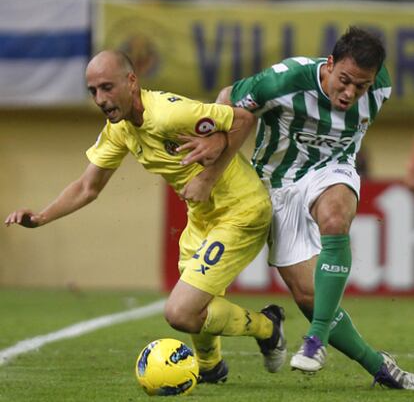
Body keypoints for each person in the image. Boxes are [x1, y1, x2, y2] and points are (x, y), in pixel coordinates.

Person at [4, 50, 287, 384]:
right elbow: (87, 187)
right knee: (198, 306)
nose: (100, 99)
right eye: (93, 91)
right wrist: (40, 217)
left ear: (131, 81)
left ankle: (268, 327)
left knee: (180, 312)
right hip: (203, 215)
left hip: (242, 210)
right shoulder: (120, 130)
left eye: (107, 87)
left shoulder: (169, 114)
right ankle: (211, 367)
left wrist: (209, 173)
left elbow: (243, 118)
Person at [178, 26, 414, 390]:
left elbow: (364, 94)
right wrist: (213, 146)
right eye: (345, 80)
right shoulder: (285, 80)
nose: (350, 93)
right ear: (329, 64)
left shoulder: (381, 85)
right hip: (276, 184)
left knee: (336, 218)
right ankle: (379, 366)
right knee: (308, 296)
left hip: (333, 168)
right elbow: (230, 97)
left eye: (361, 86)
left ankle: (315, 339)